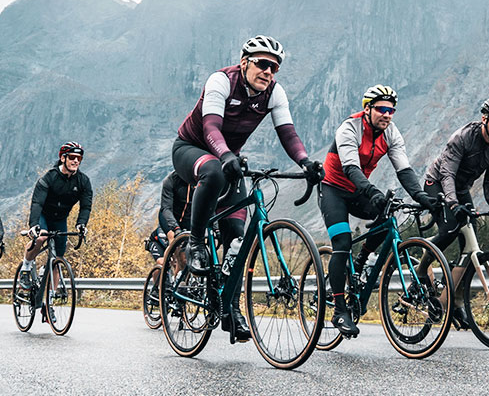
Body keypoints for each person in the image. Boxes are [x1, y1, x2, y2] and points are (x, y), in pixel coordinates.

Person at [172, 34, 324, 341]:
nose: (269, 72)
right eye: (263, 64)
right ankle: (197, 242)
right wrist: (226, 155)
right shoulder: (221, 81)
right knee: (214, 171)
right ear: (245, 63)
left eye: (275, 67)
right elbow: (210, 126)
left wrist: (306, 162)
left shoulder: (274, 93)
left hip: (229, 158)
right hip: (192, 149)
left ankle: (229, 307)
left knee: (237, 239)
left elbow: (288, 133)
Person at [317, 85, 439, 337]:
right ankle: (339, 311)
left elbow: (404, 170)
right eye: (382, 109)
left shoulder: (391, 133)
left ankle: (360, 262)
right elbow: (351, 168)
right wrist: (372, 192)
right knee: (342, 242)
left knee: (387, 219)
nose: (387, 114)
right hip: (333, 189)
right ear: (367, 109)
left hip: (359, 190)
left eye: (392, 110)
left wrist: (421, 196)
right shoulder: (349, 128)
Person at [423, 98, 489, 313]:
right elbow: (447, 174)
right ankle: (421, 269)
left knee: (470, 244)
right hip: (437, 183)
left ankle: (452, 302)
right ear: (484, 119)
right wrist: (454, 204)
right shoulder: (462, 138)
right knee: (449, 230)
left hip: (461, 189)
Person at [19, 141, 94, 305]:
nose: (76, 161)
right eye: (72, 157)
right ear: (63, 158)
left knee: (58, 259)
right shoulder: (49, 178)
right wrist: (34, 225)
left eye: (79, 158)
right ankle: (26, 267)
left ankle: (50, 302)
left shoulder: (83, 181)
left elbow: (86, 206)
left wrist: (81, 224)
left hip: (60, 219)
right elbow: (37, 203)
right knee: (41, 238)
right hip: (43, 216)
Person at [145, 171, 191, 260]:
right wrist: (175, 228)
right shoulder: (172, 180)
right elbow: (166, 209)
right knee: (173, 243)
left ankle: (180, 271)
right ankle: (169, 268)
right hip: (168, 220)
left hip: (186, 222)